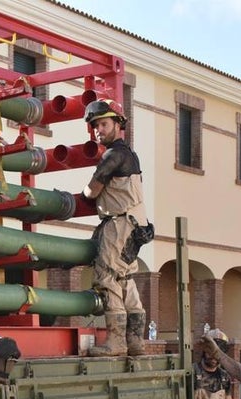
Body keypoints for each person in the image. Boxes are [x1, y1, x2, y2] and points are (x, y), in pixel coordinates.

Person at [80, 99, 151, 357]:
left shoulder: (113, 155)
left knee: (107, 276)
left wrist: (84, 194)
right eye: (95, 126)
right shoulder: (131, 154)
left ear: (118, 124)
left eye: (103, 124)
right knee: (125, 279)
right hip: (136, 224)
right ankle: (136, 342)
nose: (98, 130)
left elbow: (91, 191)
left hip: (119, 224)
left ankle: (117, 342)